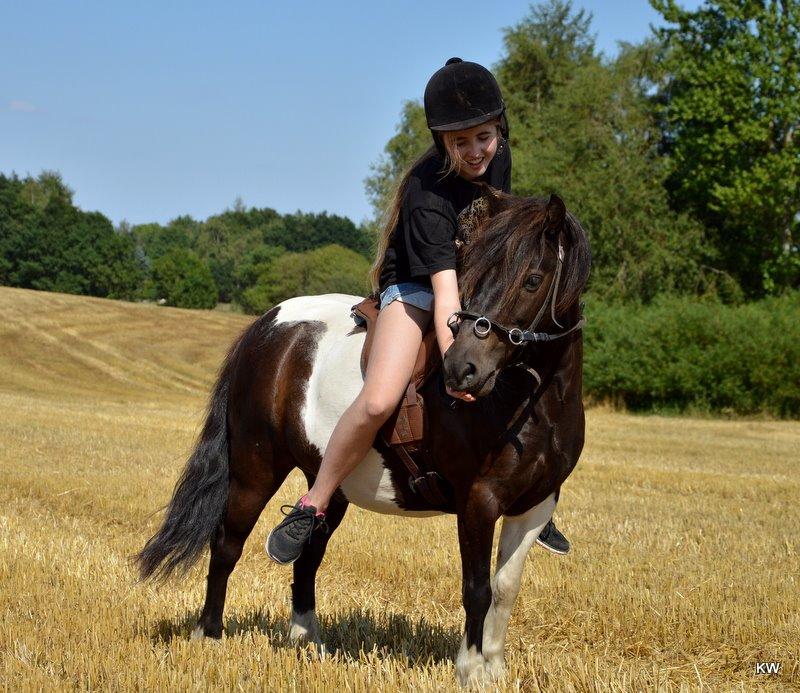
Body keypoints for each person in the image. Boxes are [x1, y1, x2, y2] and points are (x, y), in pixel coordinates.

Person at [266, 58, 569, 565]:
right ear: (441, 142)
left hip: (474, 282)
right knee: (381, 398)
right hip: (417, 287)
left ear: (499, 130)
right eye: (460, 142)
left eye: (484, 137)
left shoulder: (499, 158)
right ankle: (313, 504)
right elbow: (443, 293)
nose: (476, 152)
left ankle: (531, 490)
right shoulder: (426, 194)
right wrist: (457, 367)